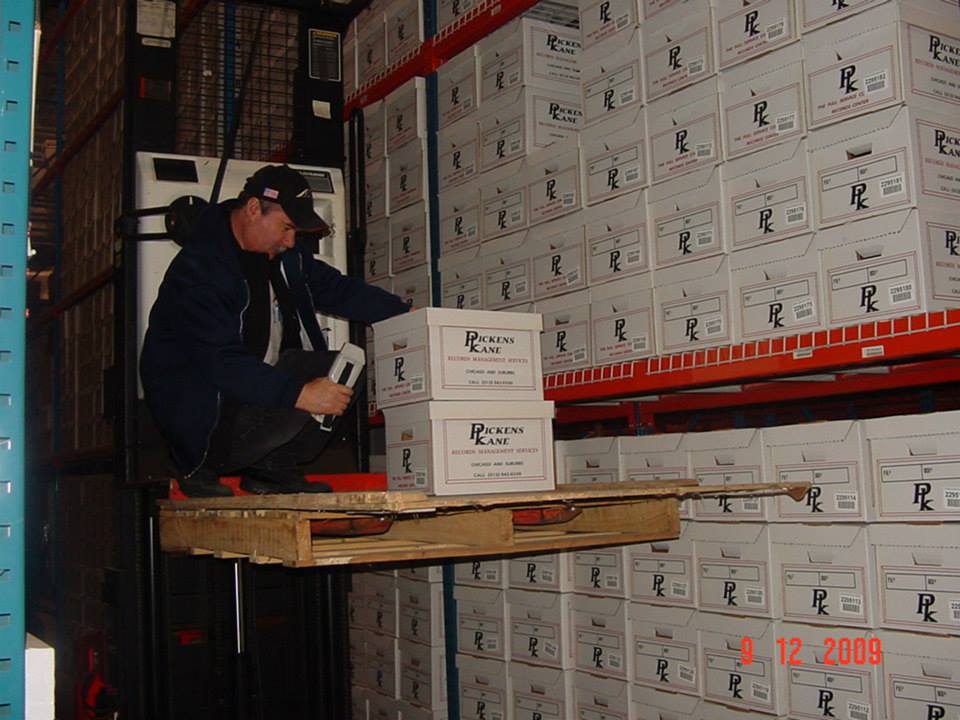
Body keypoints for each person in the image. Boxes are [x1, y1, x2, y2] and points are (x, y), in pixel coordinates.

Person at [140, 164, 409, 497]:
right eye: (286, 227)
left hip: (246, 398)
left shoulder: (281, 257)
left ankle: (271, 469)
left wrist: (406, 316)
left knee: (341, 371)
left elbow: (336, 289)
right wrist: (300, 394)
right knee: (298, 386)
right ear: (254, 209)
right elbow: (218, 362)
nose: (290, 240)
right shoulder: (200, 270)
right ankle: (197, 466)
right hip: (203, 416)